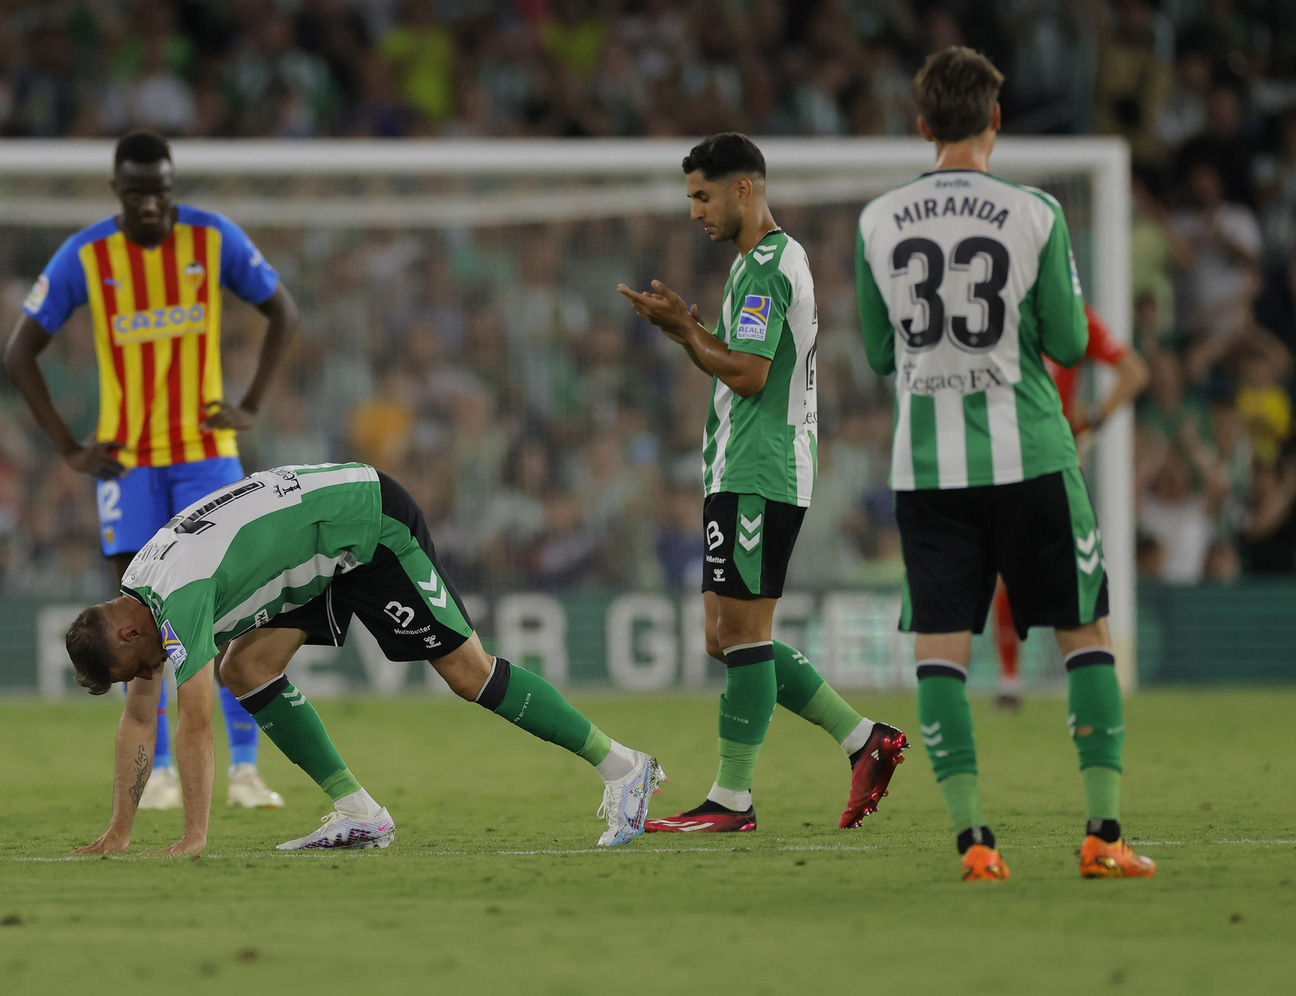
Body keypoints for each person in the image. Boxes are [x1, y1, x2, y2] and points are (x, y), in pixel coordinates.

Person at [854, 46, 1155, 882]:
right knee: (1084, 635)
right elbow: (1065, 340)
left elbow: (880, 353)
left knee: (941, 654)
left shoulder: (877, 220)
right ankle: (1102, 834)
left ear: (921, 126)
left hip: (927, 469)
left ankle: (974, 842)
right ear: (995, 120)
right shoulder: (1034, 212)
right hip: (1032, 455)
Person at [63, 462, 665, 854]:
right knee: (245, 668)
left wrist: (194, 836)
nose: (146, 676)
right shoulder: (139, 585)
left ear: (125, 637)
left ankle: (623, 767)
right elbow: (141, 716)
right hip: (313, 552)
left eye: (135, 669)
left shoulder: (177, 595)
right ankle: (360, 813)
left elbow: (192, 720)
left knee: (468, 673)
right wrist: (119, 831)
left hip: (367, 527)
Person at [617, 133, 907, 835]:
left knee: (743, 631)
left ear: (743, 188)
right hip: (742, 463)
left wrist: (685, 329)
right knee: (725, 637)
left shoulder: (770, 265)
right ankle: (862, 739)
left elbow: (746, 373)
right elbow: (743, 364)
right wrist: (689, 328)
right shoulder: (758, 262)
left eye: (702, 195)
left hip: (761, 465)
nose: (694, 211)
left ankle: (732, 798)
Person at [5, 131, 300, 812]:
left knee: (230, 608)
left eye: (160, 193)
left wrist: (249, 405)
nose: (149, 206)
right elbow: (18, 353)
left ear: (172, 187)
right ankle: (161, 768)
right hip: (129, 464)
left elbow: (284, 311)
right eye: (137, 194)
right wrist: (69, 448)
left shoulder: (213, 238)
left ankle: (246, 769)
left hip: (204, 455)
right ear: (117, 192)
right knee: (143, 619)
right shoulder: (84, 256)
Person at [992, 303, 1150, 709]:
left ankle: (1011, 682)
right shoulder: (1074, 314)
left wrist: (1091, 420)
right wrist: (1090, 421)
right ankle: (1095, 682)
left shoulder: (1002, 305)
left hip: (1011, 459)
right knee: (1077, 577)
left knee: (1011, 572)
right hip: (1057, 459)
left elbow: (1135, 373)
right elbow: (1134, 372)